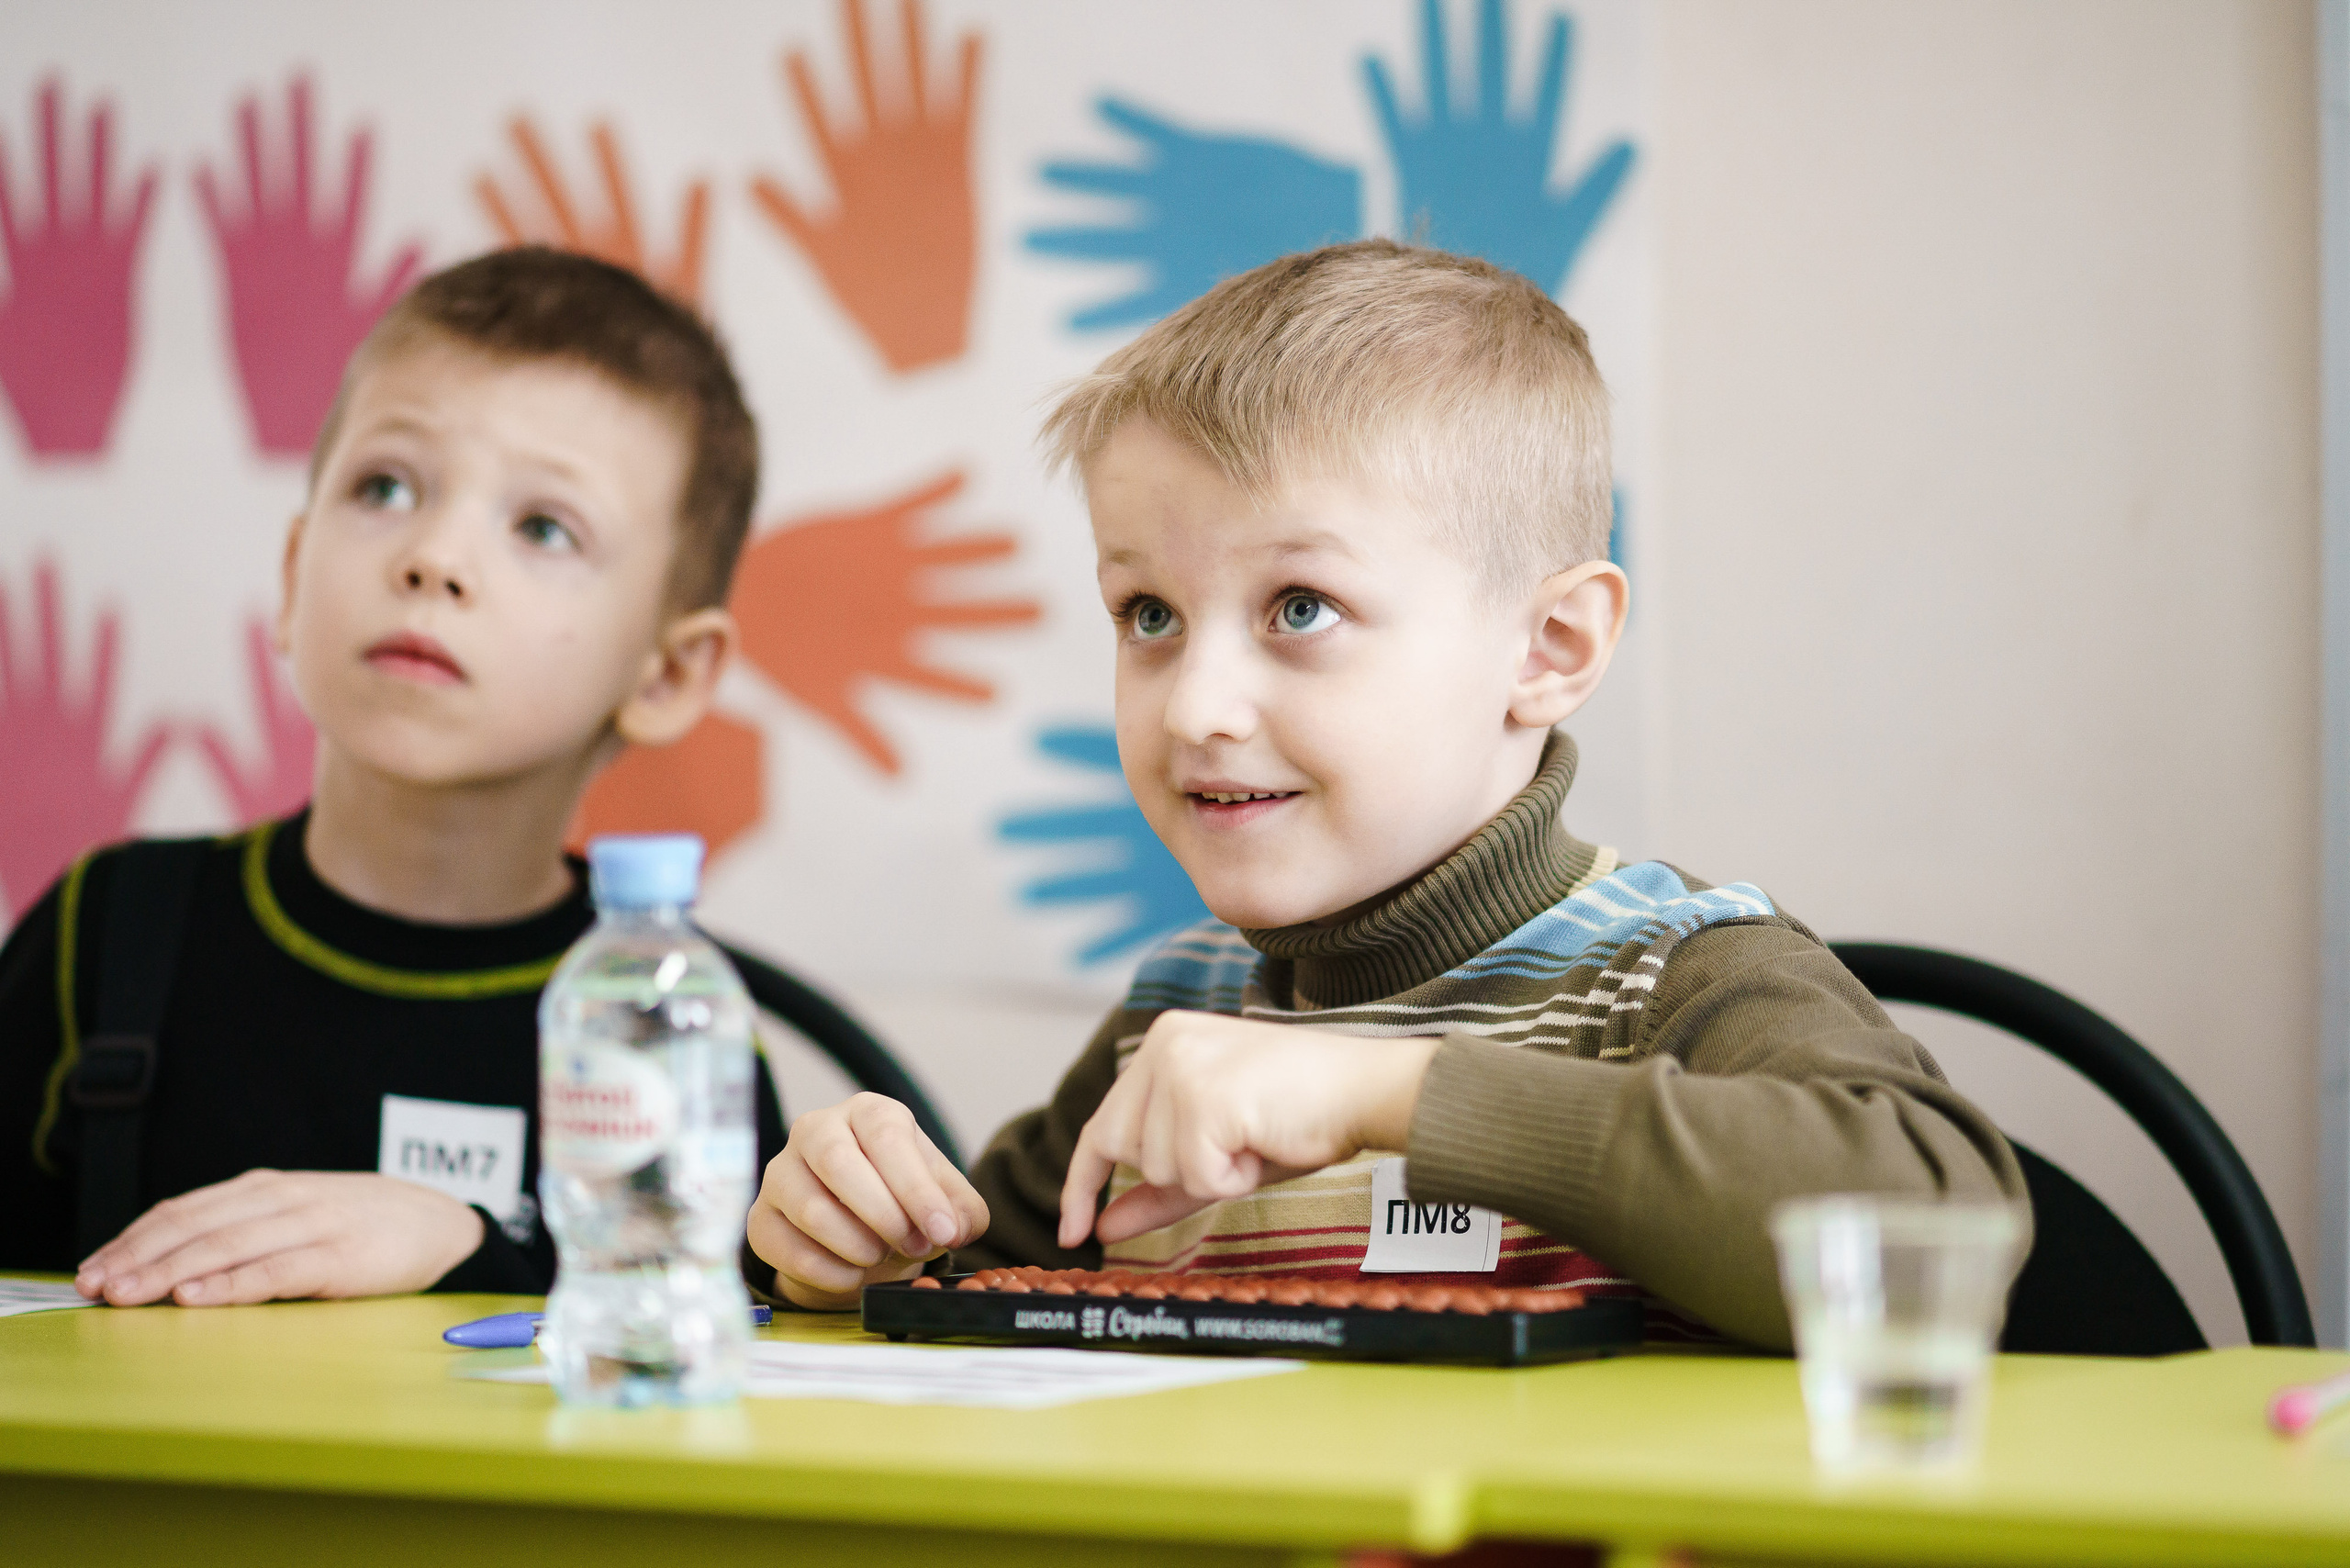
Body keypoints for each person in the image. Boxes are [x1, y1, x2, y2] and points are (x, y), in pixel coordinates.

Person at [746, 239, 2026, 1349]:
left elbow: (1940, 1226)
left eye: (1300, 607)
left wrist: (1385, 1093)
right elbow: (962, 1302)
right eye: (1149, 614)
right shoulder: (1175, 1020)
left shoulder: (1675, 977)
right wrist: (851, 1252)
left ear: (1550, 650)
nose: (1196, 707)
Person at [0, 247, 789, 1307]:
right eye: (386, 486)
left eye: (543, 527)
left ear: (668, 673)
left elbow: (713, 1364)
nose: (433, 556)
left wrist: (464, 1249)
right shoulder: (108, 934)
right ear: (291, 577)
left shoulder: (667, 1023)